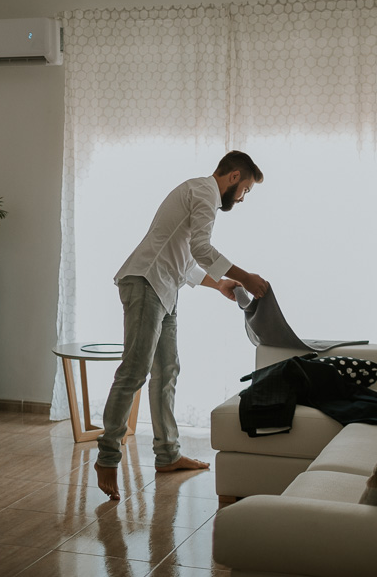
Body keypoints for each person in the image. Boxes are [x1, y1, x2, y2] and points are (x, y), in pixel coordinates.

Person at [94, 150, 269, 501]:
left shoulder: (197, 193)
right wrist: (245, 276)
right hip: (146, 283)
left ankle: (168, 455)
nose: (243, 197)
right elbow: (202, 248)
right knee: (135, 371)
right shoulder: (204, 193)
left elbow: (187, 259)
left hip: (163, 288)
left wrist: (219, 284)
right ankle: (107, 457)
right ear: (234, 177)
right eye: (246, 189)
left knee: (167, 371)